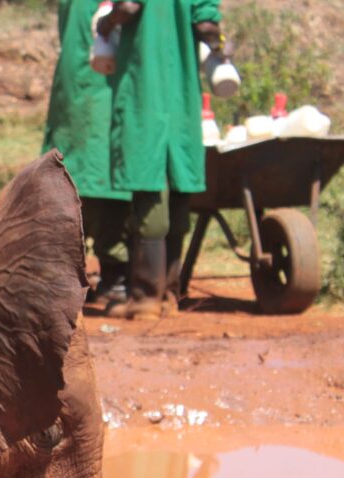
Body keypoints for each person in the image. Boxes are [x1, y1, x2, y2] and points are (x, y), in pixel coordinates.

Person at [97, 0, 226, 319]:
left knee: (149, 188)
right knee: (179, 189)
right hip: (182, 98)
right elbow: (207, 26)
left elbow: (127, 7)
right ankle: (169, 294)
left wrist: (106, 24)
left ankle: (145, 298)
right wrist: (221, 46)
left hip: (145, 92)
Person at [44, 0, 131, 305]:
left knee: (74, 176)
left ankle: (72, 275)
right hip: (104, 86)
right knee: (104, 176)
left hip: (74, 90)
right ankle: (115, 275)